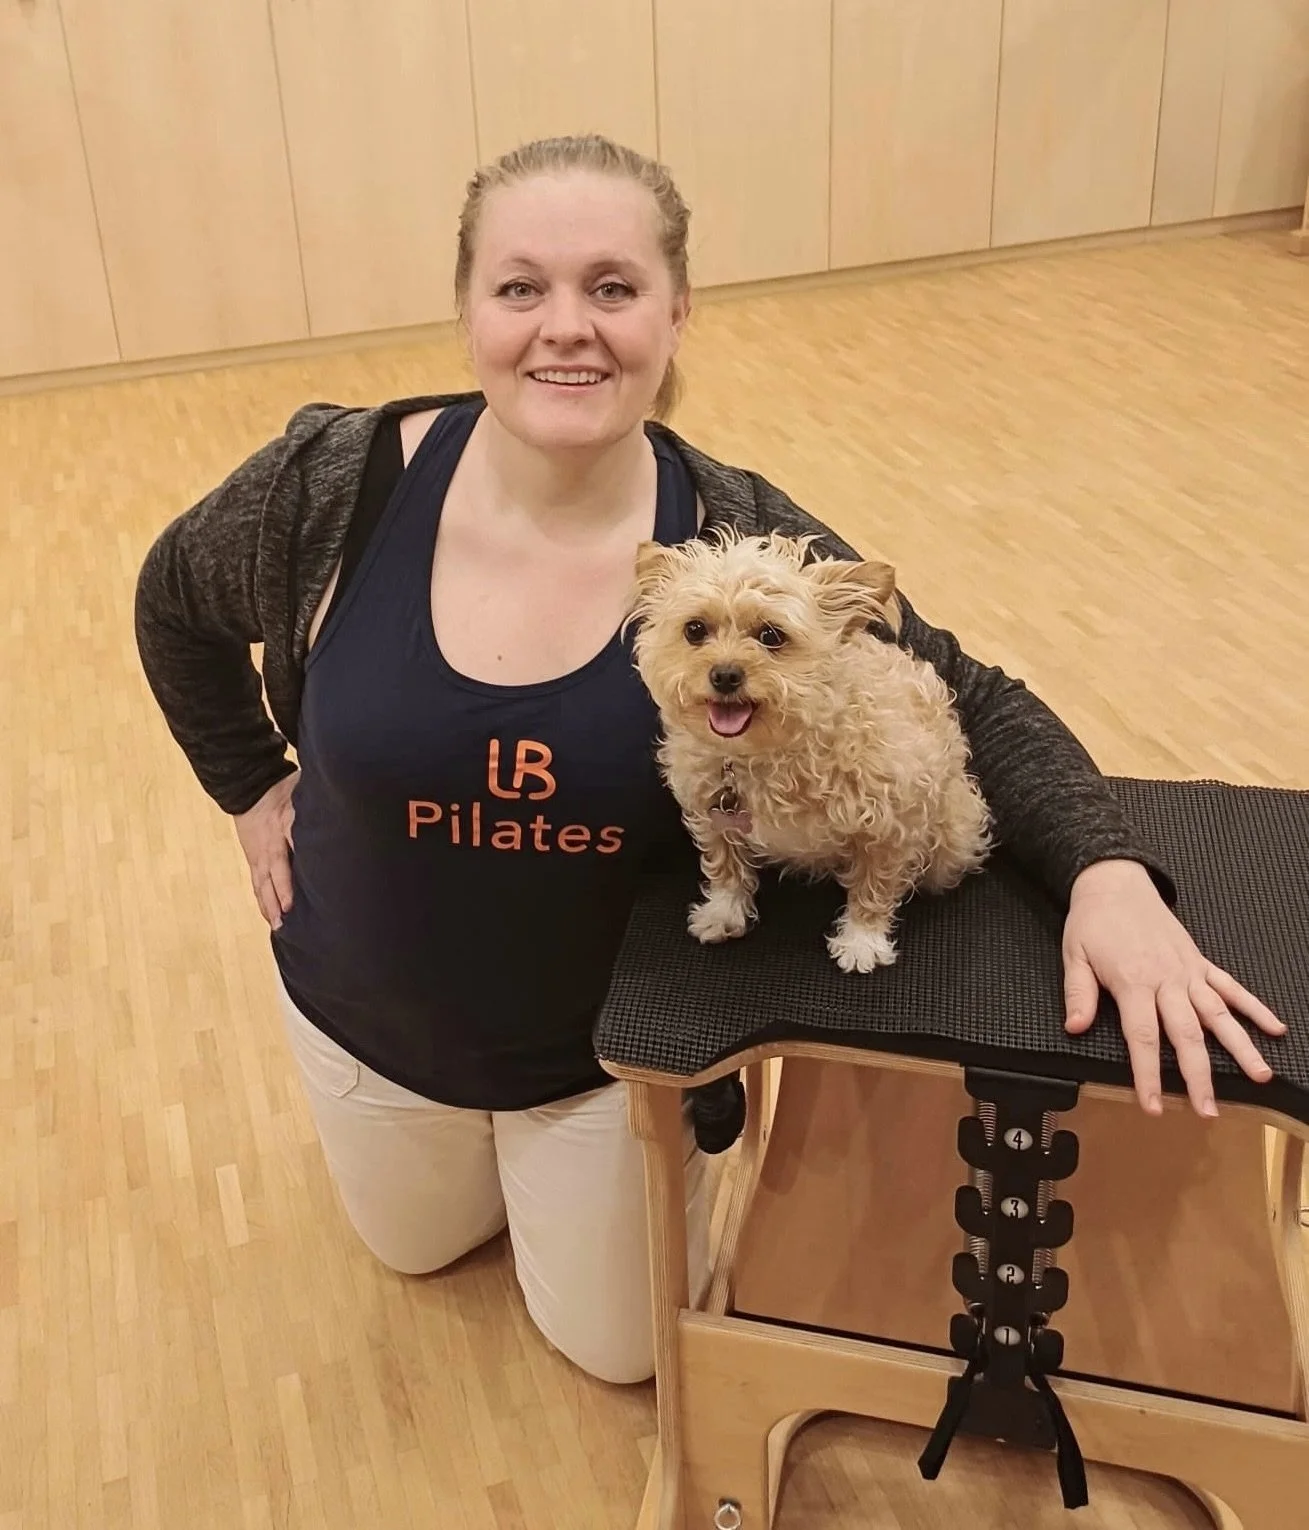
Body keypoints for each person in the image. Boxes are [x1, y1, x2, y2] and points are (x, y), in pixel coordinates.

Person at [134, 134, 1284, 1385]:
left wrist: (1107, 874)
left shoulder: (746, 540)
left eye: (612, 288)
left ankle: (673, 1125)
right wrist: (248, 781)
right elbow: (172, 604)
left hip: (600, 1061)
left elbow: (972, 696)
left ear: (676, 311)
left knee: (619, 1354)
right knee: (415, 1250)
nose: (565, 327)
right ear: (465, 309)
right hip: (359, 1020)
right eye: (519, 287)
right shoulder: (325, 488)